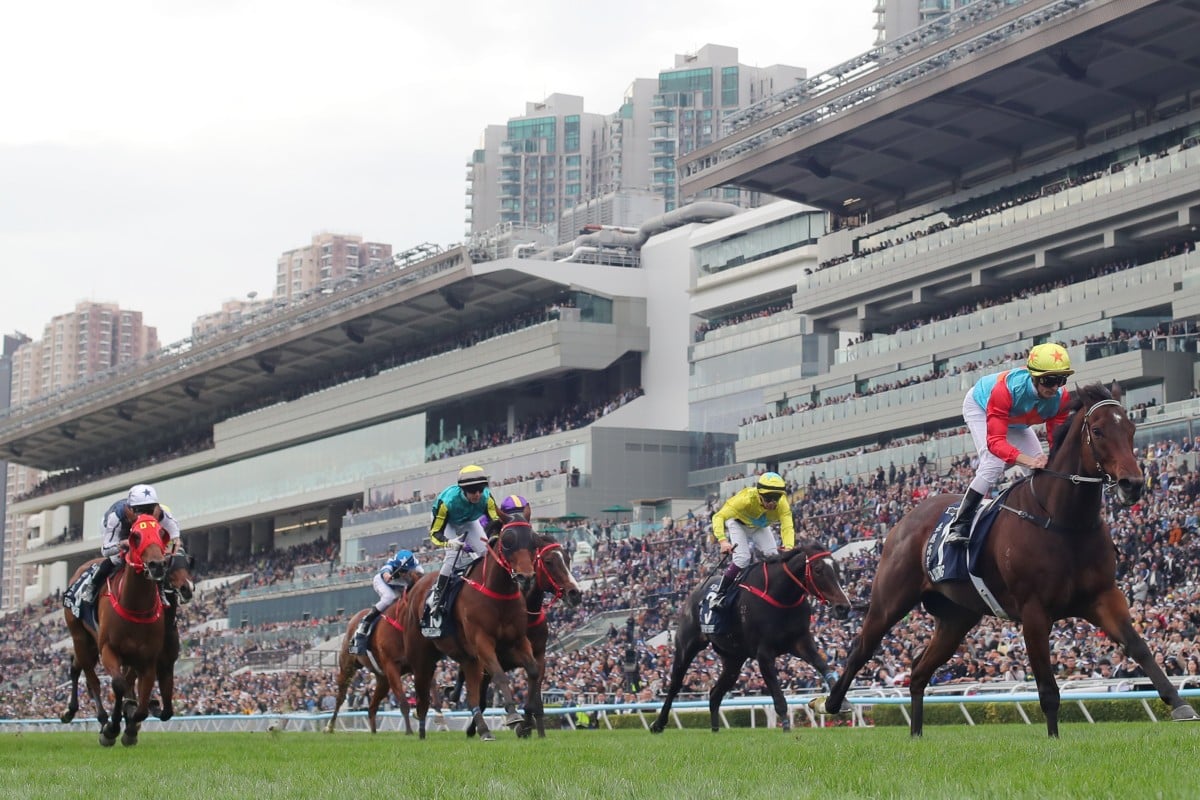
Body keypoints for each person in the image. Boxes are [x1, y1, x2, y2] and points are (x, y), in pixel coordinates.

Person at [946, 342, 1074, 545]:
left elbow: (1056, 440)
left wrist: (1046, 459)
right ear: (1034, 377)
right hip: (981, 406)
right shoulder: (1006, 390)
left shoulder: (1061, 398)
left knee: (1041, 471)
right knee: (993, 463)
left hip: (1016, 419)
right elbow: (995, 443)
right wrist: (1028, 460)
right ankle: (959, 524)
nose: (1055, 387)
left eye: (1061, 380)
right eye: (1050, 380)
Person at [80, 483, 184, 606]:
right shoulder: (116, 517)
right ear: (130, 509)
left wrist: (176, 539)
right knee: (117, 559)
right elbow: (106, 549)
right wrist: (121, 544)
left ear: (156, 507)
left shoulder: (160, 512)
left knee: (157, 557)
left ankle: (161, 591)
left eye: (149, 510)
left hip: (142, 533)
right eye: (140, 510)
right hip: (121, 532)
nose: (145, 515)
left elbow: (173, 528)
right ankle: (92, 586)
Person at [424, 465, 501, 624]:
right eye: (473, 491)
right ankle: (438, 595)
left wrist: (494, 536)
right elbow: (435, 534)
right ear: (464, 490)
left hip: (469, 521)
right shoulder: (448, 502)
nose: (477, 494)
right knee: (453, 555)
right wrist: (448, 542)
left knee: (487, 552)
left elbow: (496, 521)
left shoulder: (487, 497)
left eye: (480, 490)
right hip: (448, 523)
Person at [709, 471, 795, 608]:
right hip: (738, 523)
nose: (773, 503)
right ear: (759, 494)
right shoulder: (745, 499)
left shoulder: (782, 504)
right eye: (768, 498)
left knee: (774, 557)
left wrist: (789, 546)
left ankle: (775, 592)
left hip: (759, 526)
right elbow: (718, 516)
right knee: (742, 558)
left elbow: (787, 526)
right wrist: (723, 541)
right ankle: (720, 594)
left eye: (776, 497)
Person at [348, 548, 423, 655]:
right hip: (383, 583)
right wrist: (386, 575)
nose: (403, 574)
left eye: (405, 571)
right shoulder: (391, 564)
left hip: (400, 587)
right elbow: (385, 570)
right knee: (389, 598)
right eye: (401, 571)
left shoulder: (418, 570)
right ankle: (364, 624)